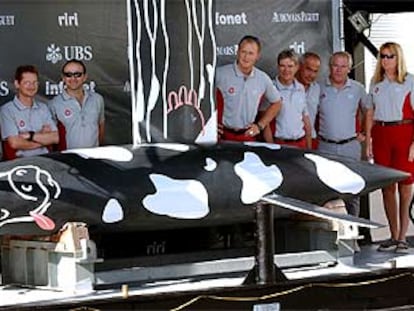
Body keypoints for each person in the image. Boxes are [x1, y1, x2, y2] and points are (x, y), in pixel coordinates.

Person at [365, 42, 414, 253]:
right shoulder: (375, 82)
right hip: (381, 134)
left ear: (398, 58)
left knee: (405, 186)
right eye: (383, 56)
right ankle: (393, 235)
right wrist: (368, 139)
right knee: (387, 187)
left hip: (403, 133)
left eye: (390, 56)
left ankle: (403, 236)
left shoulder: (409, 81)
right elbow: (369, 112)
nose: (386, 60)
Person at [318, 51, 370, 218]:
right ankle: (333, 236)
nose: (339, 70)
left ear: (349, 68)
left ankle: (353, 235)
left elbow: (369, 110)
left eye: (343, 66)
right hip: (325, 146)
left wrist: (365, 134)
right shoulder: (319, 87)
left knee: (352, 193)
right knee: (327, 191)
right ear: (329, 67)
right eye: (335, 66)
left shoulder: (357, 88)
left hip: (350, 146)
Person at [215, 35, 281, 142]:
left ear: (257, 56)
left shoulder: (262, 78)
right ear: (238, 52)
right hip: (223, 137)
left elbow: (277, 103)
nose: (246, 57)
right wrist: (208, 126)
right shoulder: (220, 74)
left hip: (247, 136)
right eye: (243, 52)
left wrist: (260, 126)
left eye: (251, 53)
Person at [0, 65, 58, 160]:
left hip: (47, 161)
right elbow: (14, 143)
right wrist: (43, 138)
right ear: (17, 84)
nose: (31, 86)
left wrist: (30, 136)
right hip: (20, 164)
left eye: (34, 82)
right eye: (27, 83)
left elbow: (55, 138)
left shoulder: (43, 108)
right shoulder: (7, 110)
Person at [49, 59, 105, 150]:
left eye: (77, 74)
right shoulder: (54, 104)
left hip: (94, 158)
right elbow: (51, 138)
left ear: (85, 77)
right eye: (68, 75)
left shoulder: (97, 99)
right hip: (68, 160)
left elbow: (101, 128)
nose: (73, 79)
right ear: (63, 78)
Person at [262, 49, 312, 149]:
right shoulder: (270, 87)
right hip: (280, 144)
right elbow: (265, 122)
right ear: (278, 66)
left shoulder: (300, 88)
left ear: (297, 67)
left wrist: (309, 146)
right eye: (282, 66)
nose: (286, 70)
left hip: (300, 143)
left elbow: (305, 119)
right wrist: (271, 147)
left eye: (290, 66)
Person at [296, 52, 321, 149]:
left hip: (311, 140)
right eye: (308, 69)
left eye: (315, 71)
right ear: (299, 66)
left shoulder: (317, 89)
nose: (311, 75)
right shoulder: (287, 86)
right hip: (291, 141)